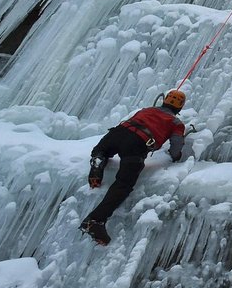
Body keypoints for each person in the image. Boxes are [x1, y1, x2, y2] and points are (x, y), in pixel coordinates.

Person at [80, 90, 188, 245]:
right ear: (180, 108)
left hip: (118, 132)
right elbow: (176, 145)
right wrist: (175, 156)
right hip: (138, 144)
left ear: (164, 101)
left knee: (101, 150)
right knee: (124, 184)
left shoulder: (147, 110)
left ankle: (98, 164)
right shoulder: (176, 123)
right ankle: (94, 221)